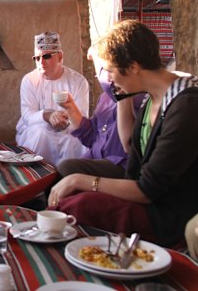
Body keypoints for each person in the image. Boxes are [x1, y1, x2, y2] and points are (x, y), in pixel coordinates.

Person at [48, 20, 198, 247]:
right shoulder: (152, 96)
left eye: (109, 70)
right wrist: (122, 95)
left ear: (134, 66)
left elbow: (147, 189)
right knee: (72, 198)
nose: (108, 79)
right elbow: (129, 145)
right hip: (146, 195)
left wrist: (81, 180)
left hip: (169, 211)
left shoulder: (186, 104)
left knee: (79, 206)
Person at [56, 45, 144, 179]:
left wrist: (123, 93)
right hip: (96, 158)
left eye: (105, 70)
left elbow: (130, 145)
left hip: (120, 166)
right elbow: (91, 138)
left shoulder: (139, 98)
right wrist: (70, 107)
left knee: (66, 168)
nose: (103, 78)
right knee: (57, 173)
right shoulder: (104, 98)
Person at [15, 31, 89, 166]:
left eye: (46, 56)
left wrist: (64, 119)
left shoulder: (78, 81)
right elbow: (27, 116)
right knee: (41, 133)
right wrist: (47, 115)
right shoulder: (29, 80)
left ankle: (67, 179)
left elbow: (82, 115)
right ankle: (38, 178)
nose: (41, 62)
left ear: (60, 56)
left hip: (68, 129)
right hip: (37, 128)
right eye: (37, 58)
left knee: (72, 140)